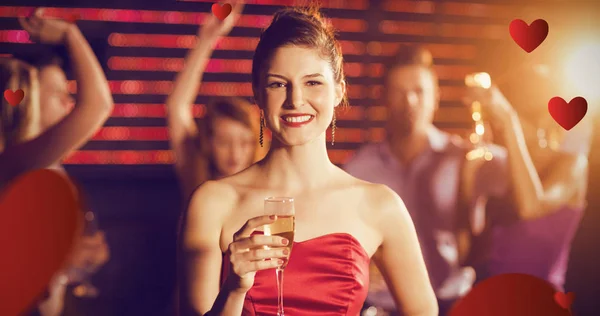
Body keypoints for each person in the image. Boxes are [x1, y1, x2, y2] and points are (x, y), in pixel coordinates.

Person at [178, 3, 438, 315]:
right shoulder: (213, 202)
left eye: (312, 82)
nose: (295, 100)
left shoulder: (380, 205)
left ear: (339, 90)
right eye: (277, 84)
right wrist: (236, 288)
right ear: (258, 93)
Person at [343, 45, 508, 315]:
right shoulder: (358, 167)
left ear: (436, 97)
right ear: (384, 97)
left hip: (452, 303)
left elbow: (530, 184)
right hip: (382, 307)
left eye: (419, 91)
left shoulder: (467, 158)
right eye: (399, 92)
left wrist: (505, 118)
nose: (410, 101)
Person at [0, 8, 113, 316]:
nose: (69, 104)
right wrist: (69, 33)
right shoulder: (13, 162)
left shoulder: (44, 167)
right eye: (59, 95)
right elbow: (99, 104)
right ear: (27, 98)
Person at [463, 62, 592, 292]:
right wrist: (468, 183)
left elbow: (531, 207)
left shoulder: (572, 165)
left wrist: (510, 122)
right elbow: (474, 252)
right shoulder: (499, 166)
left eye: (511, 120)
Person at [165, 4, 265, 201]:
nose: (235, 154)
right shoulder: (196, 176)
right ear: (208, 143)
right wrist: (207, 37)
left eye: (245, 143)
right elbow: (176, 106)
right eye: (224, 142)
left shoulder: (265, 186)